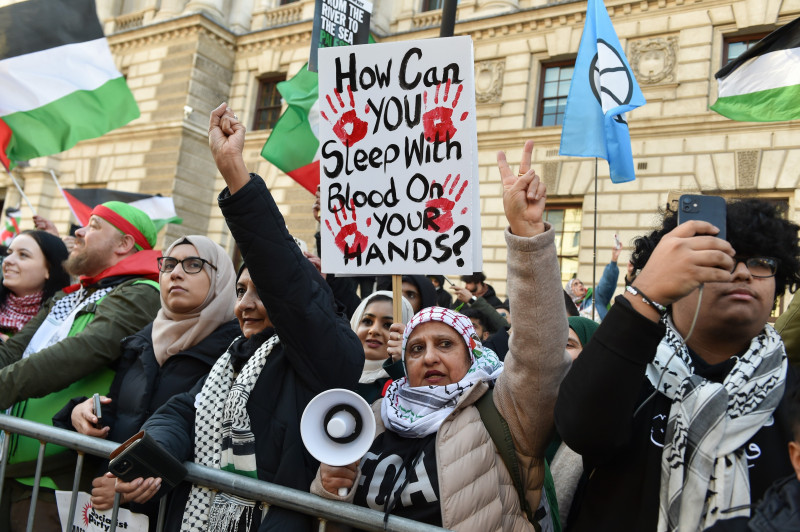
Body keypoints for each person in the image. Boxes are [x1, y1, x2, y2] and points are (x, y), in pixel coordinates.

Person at [110, 103, 363, 531]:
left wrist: (234, 171)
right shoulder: (231, 359)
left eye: (263, 295)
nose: (246, 305)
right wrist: (152, 456)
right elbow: (182, 413)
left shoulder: (323, 356)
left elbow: (289, 283)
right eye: (241, 291)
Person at [312, 140, 570, 531]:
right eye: (416, 349)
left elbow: (540, 351)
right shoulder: (374, 419)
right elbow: (332, 508)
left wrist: (528, 236)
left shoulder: (505, 413)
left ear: (472, 355)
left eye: (445, 344)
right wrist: (328, 488)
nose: (429, 357)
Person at [555, 199, 800, 532]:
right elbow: (581, 430)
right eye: (722, 259)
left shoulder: (792, 388)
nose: (743, 272)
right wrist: (646, 294)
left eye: (760, 262)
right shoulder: (628, 367)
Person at [54, 235, 240, 526]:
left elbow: (190, 426)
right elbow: (125, 413)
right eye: (169, 264)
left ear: (222, 279)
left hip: (179, 512)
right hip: (113, 504)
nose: (176, 273)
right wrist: (80, 414)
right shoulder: (142, 341)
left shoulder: (234, 352)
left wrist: (134, 478)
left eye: (193, 264)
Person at [0, 202, 161, 532]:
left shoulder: (142, 292)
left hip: (58, 482)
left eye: (94, 225)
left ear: (124, 244)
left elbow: (78, 354)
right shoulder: (72, 295)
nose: (79, 231)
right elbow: (14, 352)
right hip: (13, 470)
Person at [0, 230, 69, 341]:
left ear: (49, 270)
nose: (8, 260)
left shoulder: (61, 323)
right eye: (9, 253)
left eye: (23, 255)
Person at [350, 291, 413, 404]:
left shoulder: (412, 382)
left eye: (388, 325)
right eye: (367, 321)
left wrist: (400, 367)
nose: (374, 330)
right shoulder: (332, 373)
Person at [565, 242, 622, 322]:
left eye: (580, 283)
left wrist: (613, 261)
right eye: (575, 284)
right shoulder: (569, 310)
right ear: (570, 291)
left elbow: (606, 283)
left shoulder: (595, 297)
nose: (580, 285)